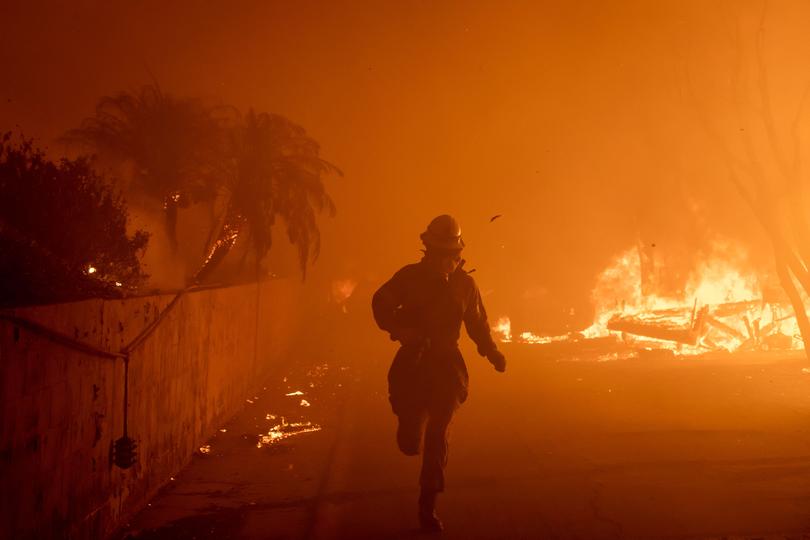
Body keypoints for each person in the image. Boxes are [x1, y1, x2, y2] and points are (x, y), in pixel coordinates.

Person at [371, 214, 506, 532]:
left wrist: (491, 351)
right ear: (427, 251)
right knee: (411, 441)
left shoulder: (465, 285)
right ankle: (408, 423)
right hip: (413, 364)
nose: (448, 260)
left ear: (458, 253)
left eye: (452, 254)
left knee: (438, 433)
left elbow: (476, 323)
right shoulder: (408, 278)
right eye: (440, 254)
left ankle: (427, 503)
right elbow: (380, 303)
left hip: (447, 366)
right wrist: (400, 329)